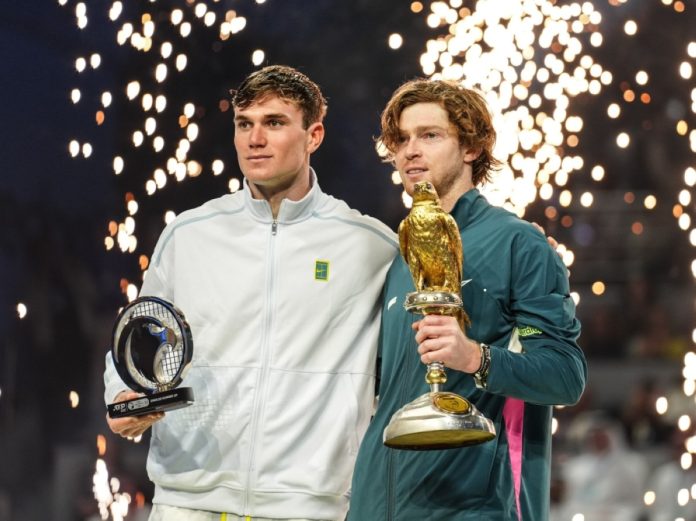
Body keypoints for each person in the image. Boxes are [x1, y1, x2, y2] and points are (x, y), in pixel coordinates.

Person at [103, 65, 399, 521]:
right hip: (187, 499)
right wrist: (124, 394)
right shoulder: (189, 233)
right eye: (244, 124)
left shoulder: (370, 246)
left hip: (308, 507)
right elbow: (137, 335)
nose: (254, 139)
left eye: (274, 123)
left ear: (314, 135)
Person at [347, 79, 587, 520]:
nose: (410, 151)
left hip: (473, 508)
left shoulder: (519, 243)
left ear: (472, 148)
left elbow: (565, 375)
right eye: (401, 139)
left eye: (430, 135)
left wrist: (475, 357)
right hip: (377, 504)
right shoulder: (399, 253)